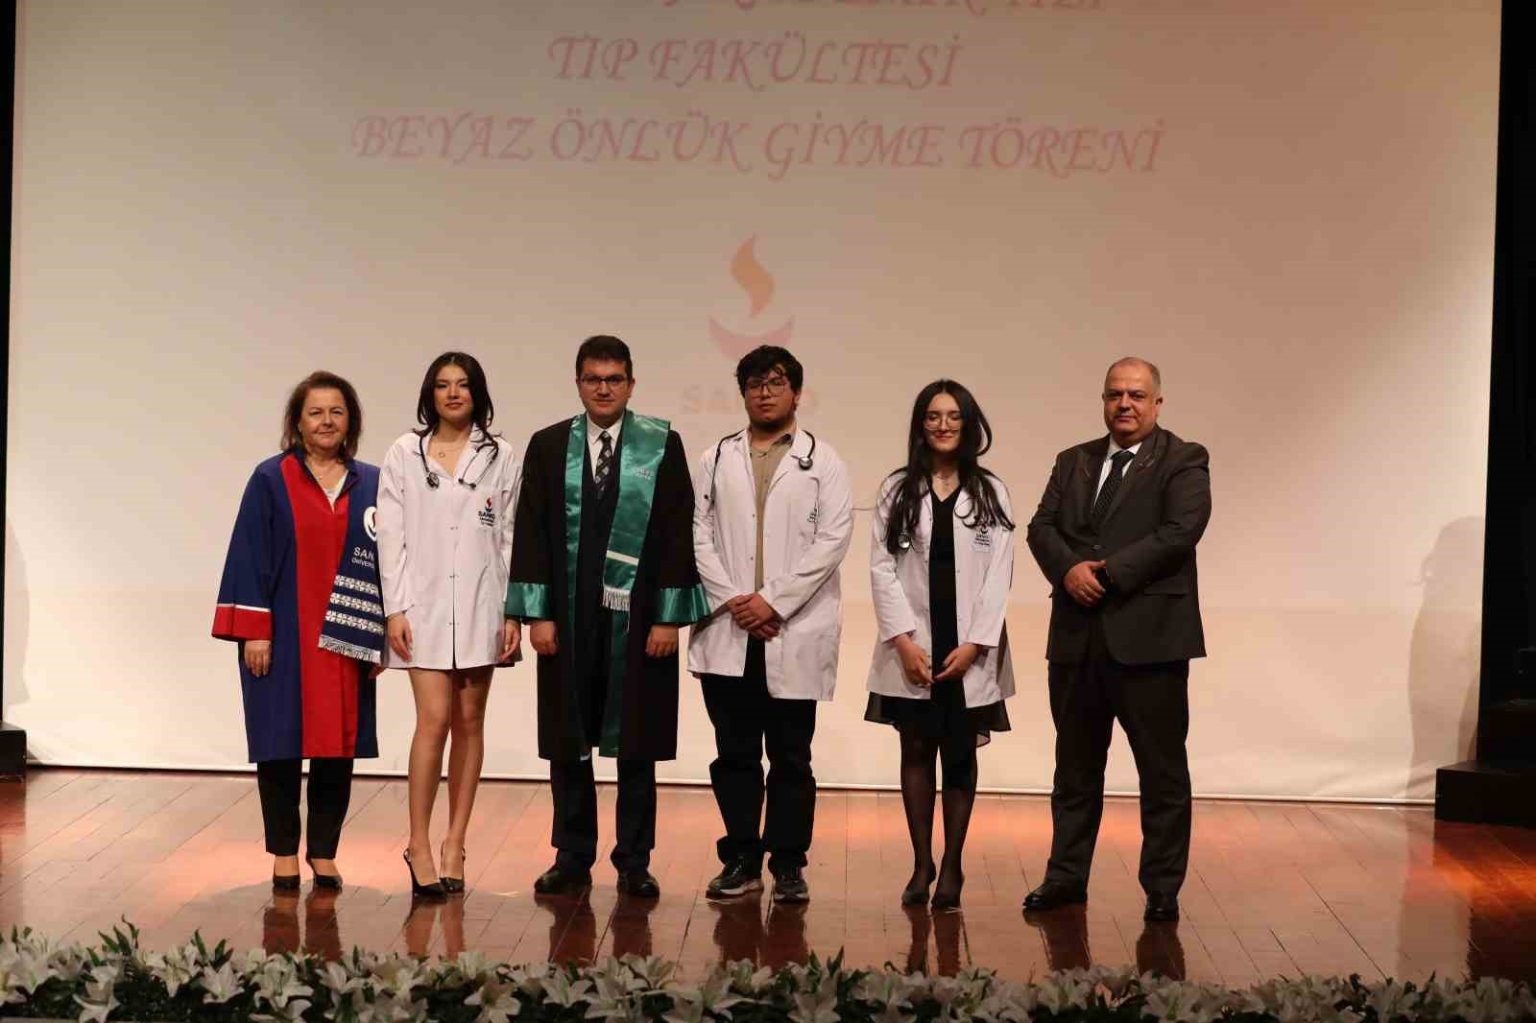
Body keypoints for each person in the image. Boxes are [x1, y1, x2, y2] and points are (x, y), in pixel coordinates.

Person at [504, 335, 708, 897]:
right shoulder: (549, 446)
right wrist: (537, 614)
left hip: (639, 621)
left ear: (631, 385)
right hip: (569, 620)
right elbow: (531, 531)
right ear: (578, 383)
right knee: (568, 740)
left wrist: (668, 618)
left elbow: (677, 530)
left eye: (614, 379)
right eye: (593, 379)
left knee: (637, 743)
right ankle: (572, 856)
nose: (603, 388)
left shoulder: (661, 445)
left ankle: (634, 860)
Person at [1022, 357, 1211, 923]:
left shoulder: (1183, 459)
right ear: (1103, 401)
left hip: (1150, 642)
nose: (1124, 404)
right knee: (1074, 770)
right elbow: (1040, 528)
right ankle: (1065, 877)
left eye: (1136, 395)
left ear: (1157, 403)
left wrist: (1104, 574)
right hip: (1077, 640)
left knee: (1162, 773)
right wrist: (1068, 570)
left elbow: (1180, 532)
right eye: (1114, 394)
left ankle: (1162, 888)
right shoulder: (1073, 460)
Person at [689, 346, 854, 905]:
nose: (765, 392)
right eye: (755, 383)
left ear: (796, 392)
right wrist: (737, 600)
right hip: (729, 627)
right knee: (734, 755)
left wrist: (772, 602)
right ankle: (740, 858)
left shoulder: (823, 461)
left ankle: (787, 863)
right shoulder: (715, 457)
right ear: (743, 393)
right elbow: (698, 533)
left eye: (776, 382)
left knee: (791, 758)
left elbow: (833, 540)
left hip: (792, 627)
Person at [213, 371, 384, 891]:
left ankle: (324, 852)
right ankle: (284, 851)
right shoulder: (271, 478)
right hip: (284, 636)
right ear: (297, 421)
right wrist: (254, 631)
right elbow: (249, 555)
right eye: (316, 412)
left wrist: (377, 637)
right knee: (279, 744)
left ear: (351, 420)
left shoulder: (372, 483)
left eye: (337, 411)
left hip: (345, 636)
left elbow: (390, 564)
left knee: (338, 747)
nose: (326, 421)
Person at [377, 352, 522, 898]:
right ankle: (418, 842)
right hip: (424, 608)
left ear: (477, 393)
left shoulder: (501, 454)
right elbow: (390, 537)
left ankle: (455, 842)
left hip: (483, 607)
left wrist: (512, 609)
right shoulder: (404, 453)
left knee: (470, 722)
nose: (453, 393)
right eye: (442, 385)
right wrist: (395, 608)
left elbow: (509, 536)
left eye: (463, 385)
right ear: (429, 394)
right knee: (433, 720)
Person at [866, 380, 1016, 911]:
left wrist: (976, 644)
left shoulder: (991, 492)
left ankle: (952, 865)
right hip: (915, 646)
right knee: (914, 751)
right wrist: (904, 642)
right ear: (920, 424)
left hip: (967, 648)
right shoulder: (896, 490)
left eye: (953, 416)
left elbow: (999, 574)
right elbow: (881, 567)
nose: (943, 425)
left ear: (969, 424)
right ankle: (920, 862)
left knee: (958, 754)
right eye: (933, 416)